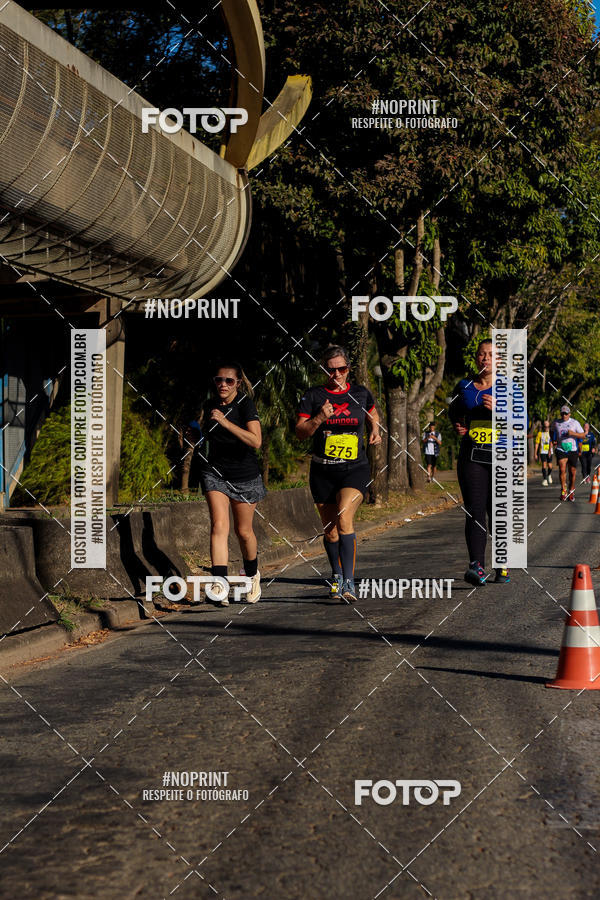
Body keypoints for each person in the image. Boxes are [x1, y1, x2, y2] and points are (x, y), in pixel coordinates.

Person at [296, 345, 381, 603]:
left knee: (345, 520)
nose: (336, 374)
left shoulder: (360, 393)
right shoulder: (313, 396)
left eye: (341, 369)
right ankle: (335, 574)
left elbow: (373, 412)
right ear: (325, 370)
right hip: (323, 470)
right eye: (331, 370)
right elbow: (301, 432)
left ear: (348, 369)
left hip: (354, 468)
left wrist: (375, 430)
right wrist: (320, 417)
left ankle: (349, 583)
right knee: (331, 531)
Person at [194, 362, 266, 606]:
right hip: (214, 473)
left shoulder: (246, 405)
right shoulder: (209, 404)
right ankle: (219, 584)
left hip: (245, 476)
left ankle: (253, 575)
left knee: (243, 532)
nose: (222, 385)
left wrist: (225, 423)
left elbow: (256, 441)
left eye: (229, 381)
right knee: (219, 525)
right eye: (218, 380)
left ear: (238, 383)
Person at [448, 338, 509, 587]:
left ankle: (502, 562)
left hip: (502, 456)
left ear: (499, 360)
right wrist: (458, 425)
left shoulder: (509, 388)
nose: (486, 358)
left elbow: (524, 424)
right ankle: (476, 566)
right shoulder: (464, 386)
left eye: (491, 355)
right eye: (482, 354)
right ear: (477, 358)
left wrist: (500, 410)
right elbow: (454, 412)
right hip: (472, 456)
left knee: (497, 511)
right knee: (474, 510)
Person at [551, 405, 584, 501]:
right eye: (562, 413)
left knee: (572, 472)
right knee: (562, 469)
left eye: (566, 413)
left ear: (569, 414)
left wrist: (573, 434)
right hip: (561, 449)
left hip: (573, 450)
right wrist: (554, 440)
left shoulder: (575, 423)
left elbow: (582, 435)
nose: (564, 415)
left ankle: (571, 489)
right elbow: (551, 430)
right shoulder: (556, 422)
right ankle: (563, 490)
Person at [534, 420, 553, 486]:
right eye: (545, 427)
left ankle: (549, 475)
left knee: (550, 466)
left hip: (550, 451)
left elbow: (552, 442)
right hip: (542, 452)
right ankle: (544, 479)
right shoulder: (540, 434)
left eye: (548, 427)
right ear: (543, 427)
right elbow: (537, 444)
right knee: (544, 465)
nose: (547, 428)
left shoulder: (551, 433)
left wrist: (550, 449)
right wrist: (535, 453)